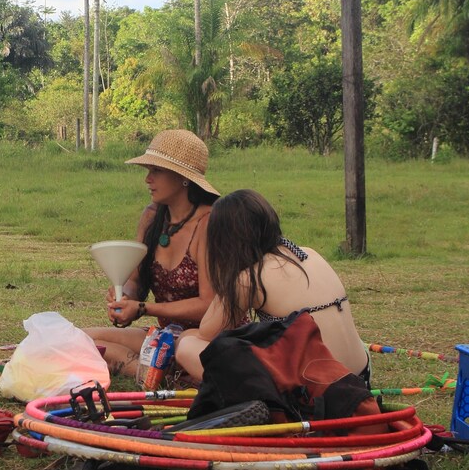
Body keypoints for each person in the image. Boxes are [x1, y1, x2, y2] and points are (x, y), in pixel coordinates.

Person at [174, 189, 370, 386]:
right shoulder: (309, 253)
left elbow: (207, 333)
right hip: (361, 377)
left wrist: (226, 273)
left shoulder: (249, 278)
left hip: (318, 390)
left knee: (187, 344)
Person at [83, 129, 220, 380]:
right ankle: (152, 370)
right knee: (81, 338)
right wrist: (124, 296)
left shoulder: (209, 223)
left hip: (205, 342)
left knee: (106, 350)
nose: (148, 179)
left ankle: (149, 371)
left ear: (183, 178)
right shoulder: (152, 217)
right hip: (167, 338)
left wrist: (144, 308)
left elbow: (208, 306)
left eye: (156, 171)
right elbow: (136, 279)